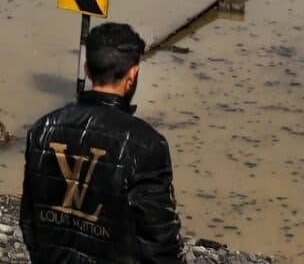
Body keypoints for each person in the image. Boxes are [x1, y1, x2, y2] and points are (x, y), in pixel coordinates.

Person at [20, 23, 183, 264]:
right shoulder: (147, 145)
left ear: (87, 69)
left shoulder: (43, 129)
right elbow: (161, 245)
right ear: (132, 75)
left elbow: (29, 221)